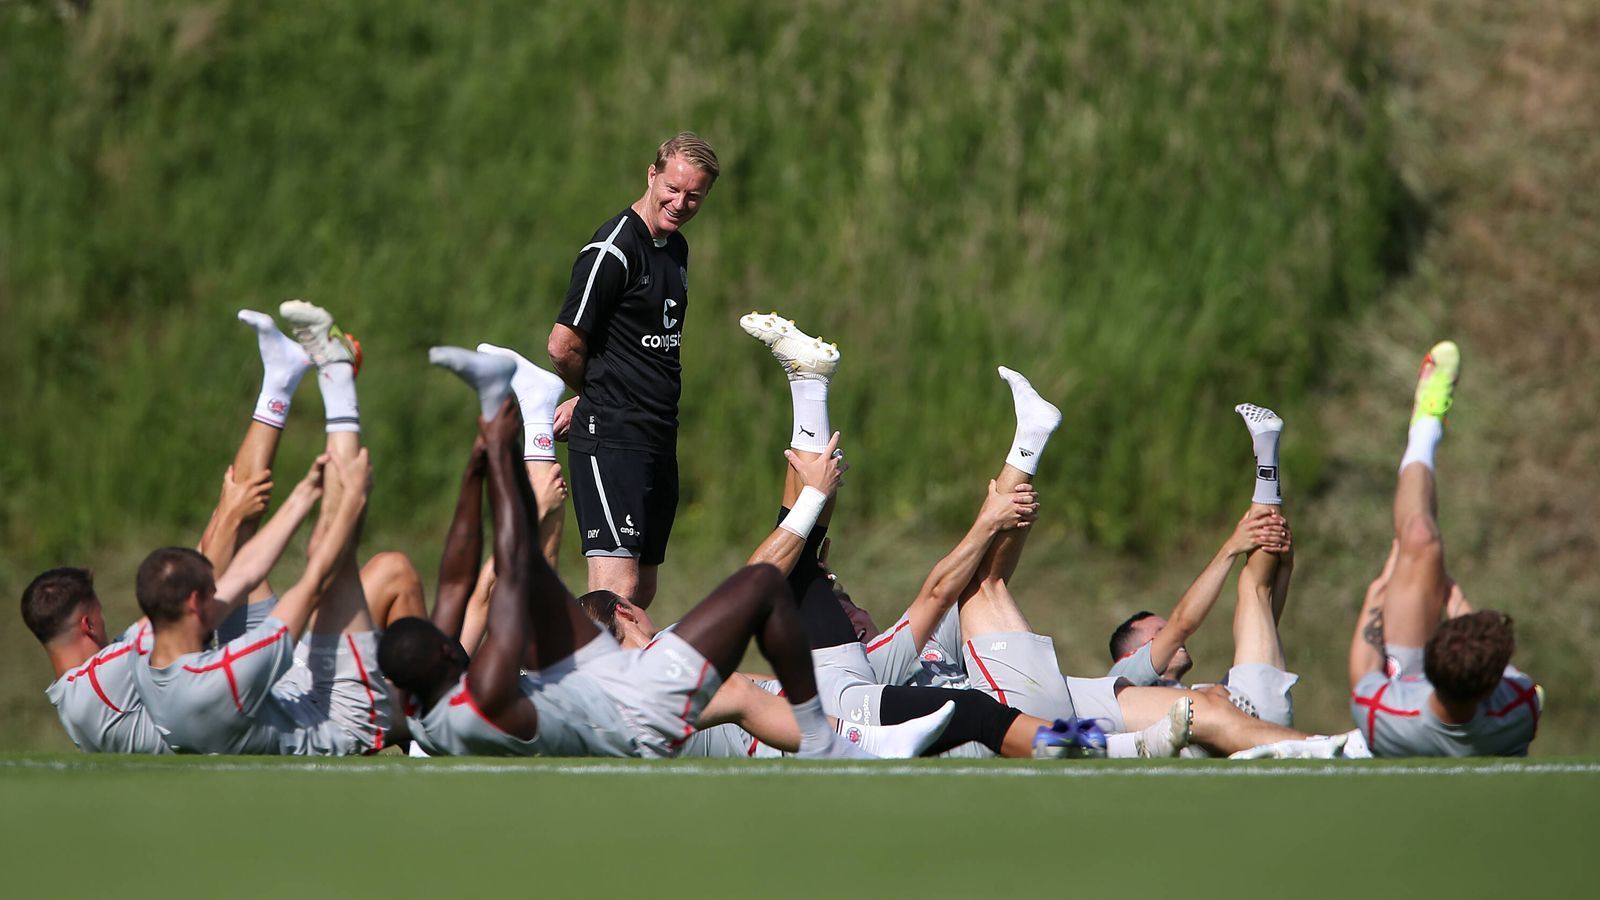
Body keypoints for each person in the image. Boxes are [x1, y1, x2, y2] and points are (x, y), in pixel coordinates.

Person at [736, 313, 1195, 759]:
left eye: (845, 601)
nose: (851, 611)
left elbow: (975, 579)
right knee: (795, 569)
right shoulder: (876, 656)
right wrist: (991, 521)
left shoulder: (877, 658)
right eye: (841, 603)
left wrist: (999, 520)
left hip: (1016, 707)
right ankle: (810, 384)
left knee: (811, 566)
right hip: (1013, 715)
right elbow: (939, 590)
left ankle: (812, 384)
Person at [380, 376, 886, 761]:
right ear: (622, 615)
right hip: (673, 715)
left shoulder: (429, 714)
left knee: (779, 583)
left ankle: (808, 389)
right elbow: (503, 588)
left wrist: (484, 468)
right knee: (766, 586)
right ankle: (835, 741)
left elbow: (465, 587)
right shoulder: (498, 694)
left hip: (794, 690)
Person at [133, 301, 389, 756]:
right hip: (344, 717)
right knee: (332, 556)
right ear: (196, 603)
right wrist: (350, 506)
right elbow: (310, 586)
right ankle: (338, 376)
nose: (221, 590)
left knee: (281, 533)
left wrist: (302, 496)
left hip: (284, 698)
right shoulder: (216, 684)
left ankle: (287, 377)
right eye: (213, 591)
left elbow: (245, 572)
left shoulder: (154, 656)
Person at [547, 133, 720, 608]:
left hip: (657, 435)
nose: (680, 202)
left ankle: (609, 677)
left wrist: (595, 390)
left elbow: (631, 349)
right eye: (672, 188)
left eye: (694, 196)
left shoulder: (674, 249)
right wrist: (595, 395)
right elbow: (563, 345)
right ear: (652, 174)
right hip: (612, 436)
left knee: (641, 592)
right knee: (614, 596)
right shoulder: (612, 249)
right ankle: (565, 680)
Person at [1346, 341, 1540, 756]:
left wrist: (1376, 594)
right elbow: (1499, 672)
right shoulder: (1520, 707)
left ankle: (1423, 428)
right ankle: (1428, 421)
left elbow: (1362, 672)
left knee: (1412, 540)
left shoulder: (1384, 717)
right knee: (1420, 536)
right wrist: (1460, 604)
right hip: (1448, 699)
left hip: (1401, 690)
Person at [1105, 403, 1300, 728]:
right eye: (1159, 632)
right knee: (1252, 587)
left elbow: (1263, 627)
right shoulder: (1122, 680)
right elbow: (1183, 622)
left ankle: (1268, 450)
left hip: (1255, 718)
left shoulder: (1197, 695)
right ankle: (1267, 452)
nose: (1173, 636)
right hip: (1253, 716)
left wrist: (1286, 566)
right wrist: (1229, 549)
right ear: (1132, 654)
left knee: (1257, 594)